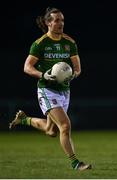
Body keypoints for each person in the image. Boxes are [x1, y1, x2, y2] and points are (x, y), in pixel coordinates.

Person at [9, 7, 92, 171]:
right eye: (56, 20)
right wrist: (43, 75)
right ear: (48, 23)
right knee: (65, 126)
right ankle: (76, 163)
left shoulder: (69, 43)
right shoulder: (40, 44)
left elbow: (77, 68)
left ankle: (24, 119)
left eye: (62, 20)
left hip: (64, 91)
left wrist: (73, 75)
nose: (60, 23)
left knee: (51, 131)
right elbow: (27, 67)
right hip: (47, 90)